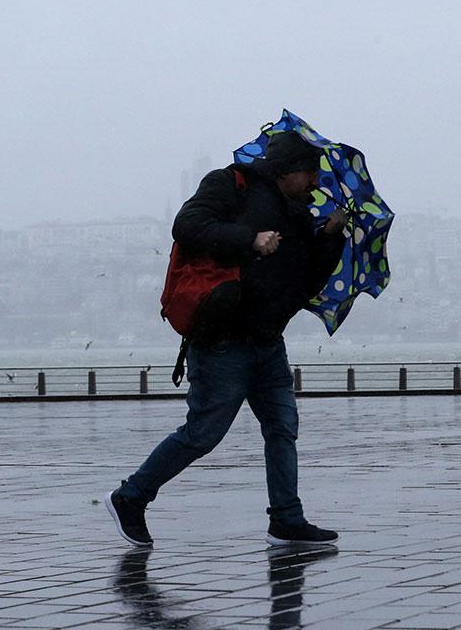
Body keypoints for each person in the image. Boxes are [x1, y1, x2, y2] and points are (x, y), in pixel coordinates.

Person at [105, 131, 346, 547]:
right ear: (287, 170)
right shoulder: (229, 184)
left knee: (282, 427)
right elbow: (187, 225)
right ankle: (131, 496)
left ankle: (287, 519)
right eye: (310, 172)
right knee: (203, 433)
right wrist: (249, 240)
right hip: (222, 339)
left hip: (268, 341)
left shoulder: (300, 216)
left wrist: (329, 237)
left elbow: (307, 285)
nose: (315, 182)